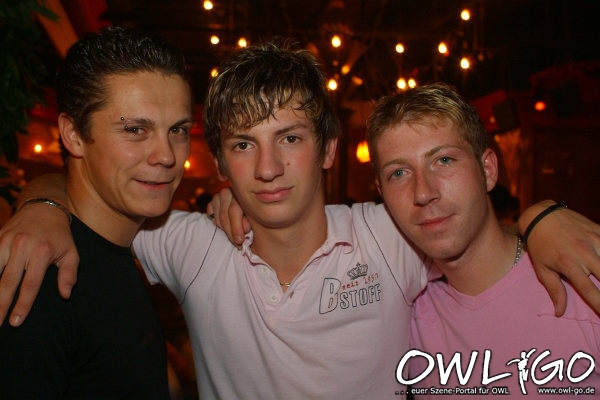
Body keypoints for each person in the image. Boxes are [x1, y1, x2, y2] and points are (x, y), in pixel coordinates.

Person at [0, 41, 599, 399]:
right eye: (243, 145)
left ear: (330, 149)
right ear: (220, 164)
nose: (268, 168)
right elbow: (93, 198)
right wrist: (44, 206)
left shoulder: (388, 237)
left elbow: (466, 228)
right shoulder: (189, 243)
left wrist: (544, 217)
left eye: (289, 138)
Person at [365, 83, 600, 398]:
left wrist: (541, 214)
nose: (423, 192)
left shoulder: (582, 281)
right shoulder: (404, 310)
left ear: (487, 170)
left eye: (444, 160)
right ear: (382, 194)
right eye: (399, 173)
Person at [0, 26, 194, 398]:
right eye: (135, 129)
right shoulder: (41, 278)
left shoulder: (119, 250)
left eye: (178, 130)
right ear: (73, 134)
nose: (167, 155)